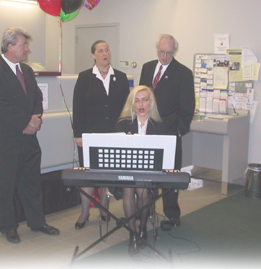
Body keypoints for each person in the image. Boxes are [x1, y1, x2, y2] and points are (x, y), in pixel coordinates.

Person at [0, 27, 60, 244]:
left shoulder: (26, 70)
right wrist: (26, 122)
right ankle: (8, 227)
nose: (26, 49)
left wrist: (35, 118)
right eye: (23, 45)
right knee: (5, 187)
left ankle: (37, 222)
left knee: (32, 184)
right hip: (5, 140)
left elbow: (37, 96)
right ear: (10, 47)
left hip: (29, 139)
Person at [139, 34, 195, 228]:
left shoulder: (183, 73)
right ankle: (144, 210)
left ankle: (172, 214)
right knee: (147, 174)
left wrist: (179, 131)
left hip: (170, 132)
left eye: (169, 53)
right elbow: (141, 99)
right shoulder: (147, 68)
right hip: (146, 131)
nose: (165, 57)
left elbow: (187, 107)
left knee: (170, 176)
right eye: (162, 52)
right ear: (157, 50)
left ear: (174, 51)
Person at [73, 40, 130, 229]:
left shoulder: (120, 77)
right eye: (100, 50)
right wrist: (78, 134)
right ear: (93, 55)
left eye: (107, 50)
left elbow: (126, 108)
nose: (105, 53)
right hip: (90, 135)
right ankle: (84, 212)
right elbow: (78, 107)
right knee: (88, 174)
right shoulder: (84, 77)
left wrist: (126, 131)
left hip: (114, 134)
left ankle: (104, 208)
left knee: (110, 173)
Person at [116, 85, 165, 256]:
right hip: (127, 169)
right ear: (132, 104)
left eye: (145, 99)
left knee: (143, 190)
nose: (141, 104)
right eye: (137, 101)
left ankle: (142, 228)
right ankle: (133, 234)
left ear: (151, 103)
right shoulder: (123, 124)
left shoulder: (159, 126)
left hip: (149, 172)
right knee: (128, 188)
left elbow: (163, 157)